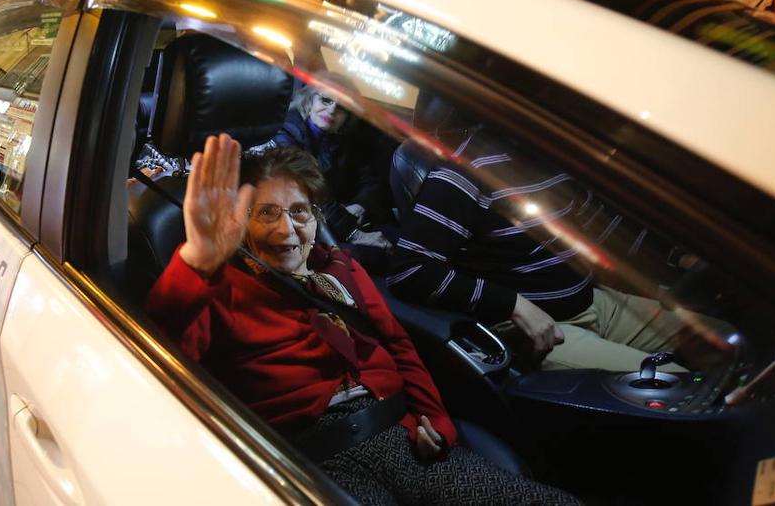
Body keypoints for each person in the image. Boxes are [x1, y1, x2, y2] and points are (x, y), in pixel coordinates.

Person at [146, 137, 580, 506]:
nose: (287, 231)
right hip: (315, 459)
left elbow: (398, 346)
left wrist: (437, 422)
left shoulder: (340, 270)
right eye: (266, 214)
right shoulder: (217, 288)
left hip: (400, 435)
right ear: (239, 223)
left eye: (299, 212)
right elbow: (159, 353)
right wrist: (197, 262)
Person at [390, 117, 730, 373]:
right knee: (675, 382)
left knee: (725, 343)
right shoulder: (463, 174)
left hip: (594, 302)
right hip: (546, 328)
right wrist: (513, 305)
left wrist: (677, 257)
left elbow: (603, 226)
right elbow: (410, 270)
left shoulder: (550, 158)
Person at [272, 80, 391, 250]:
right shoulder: (287, 132)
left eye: (342, 107)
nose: (333, 109)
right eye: (326, 100)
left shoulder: (343, 138)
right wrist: (353, 233)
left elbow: (371, 181)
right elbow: (309, 189)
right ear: (310, 100)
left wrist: (360, 205)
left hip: (338, 218)